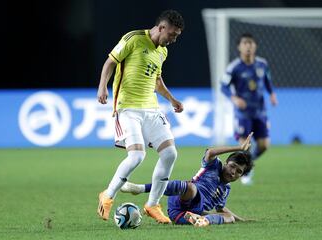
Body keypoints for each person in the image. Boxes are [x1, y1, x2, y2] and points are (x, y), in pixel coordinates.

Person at [96, 9, 185, 224]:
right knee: (137, 156)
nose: (173, 40)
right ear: (161, 27)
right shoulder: (134, 39)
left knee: (170, 154)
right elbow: (110, 62)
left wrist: (172, 100)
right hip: (127, 109)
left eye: (176, 36)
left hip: (152, 110)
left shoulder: (162, 52)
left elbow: (156, 80)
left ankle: (152, 204)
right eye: (172, 34)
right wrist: (102, 87)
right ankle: (107, 196)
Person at [121, 133, 254, 227]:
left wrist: (241, 220)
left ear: (241, 176)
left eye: (238, 172)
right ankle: (140, 188)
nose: (233, 172)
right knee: (190, 187)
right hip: (183, 198)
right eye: (232, 166)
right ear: (226, 163)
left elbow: (221, 208)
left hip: (185, 214)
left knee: (229, 218)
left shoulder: (226, 190)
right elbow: (210, 153)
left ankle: (203, 221)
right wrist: (238, 148)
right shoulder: (214, 165)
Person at [220, 33, 278, 185]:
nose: (248, 46)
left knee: (264, 145)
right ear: (239, 47)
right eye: (245, 43)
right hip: (242, 113)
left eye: (251, 43)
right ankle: (245, 172)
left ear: (255, 46)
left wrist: (272, 94)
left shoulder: (262, 64)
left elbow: (267, 80)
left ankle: (247, 164)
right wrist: (234, 99)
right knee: (244, 146)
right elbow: (223, 86)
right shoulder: (234, 68)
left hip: (260, 111)